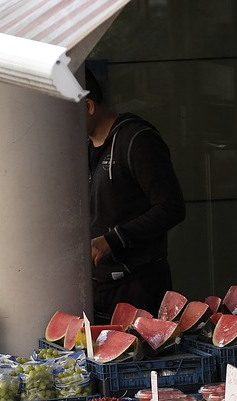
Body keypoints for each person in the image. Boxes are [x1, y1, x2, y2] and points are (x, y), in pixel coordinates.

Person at [85, 71, 185, 320]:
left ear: (88, 106)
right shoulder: (82, 149)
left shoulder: (137, 140)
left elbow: (171, 207)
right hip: (98, 289)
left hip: (139, 287)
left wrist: (113, 239)